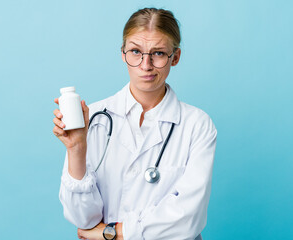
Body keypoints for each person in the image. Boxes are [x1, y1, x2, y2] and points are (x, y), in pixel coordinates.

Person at [52, 8, 217, 240]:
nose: (146, 65)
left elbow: (187, 219)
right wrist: (76, 149)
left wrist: (114, 233)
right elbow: (83, 220)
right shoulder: (95, 117)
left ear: (176, 57)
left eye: (158, 53)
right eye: (136, 51)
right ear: (123, 53)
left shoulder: (197, 125)